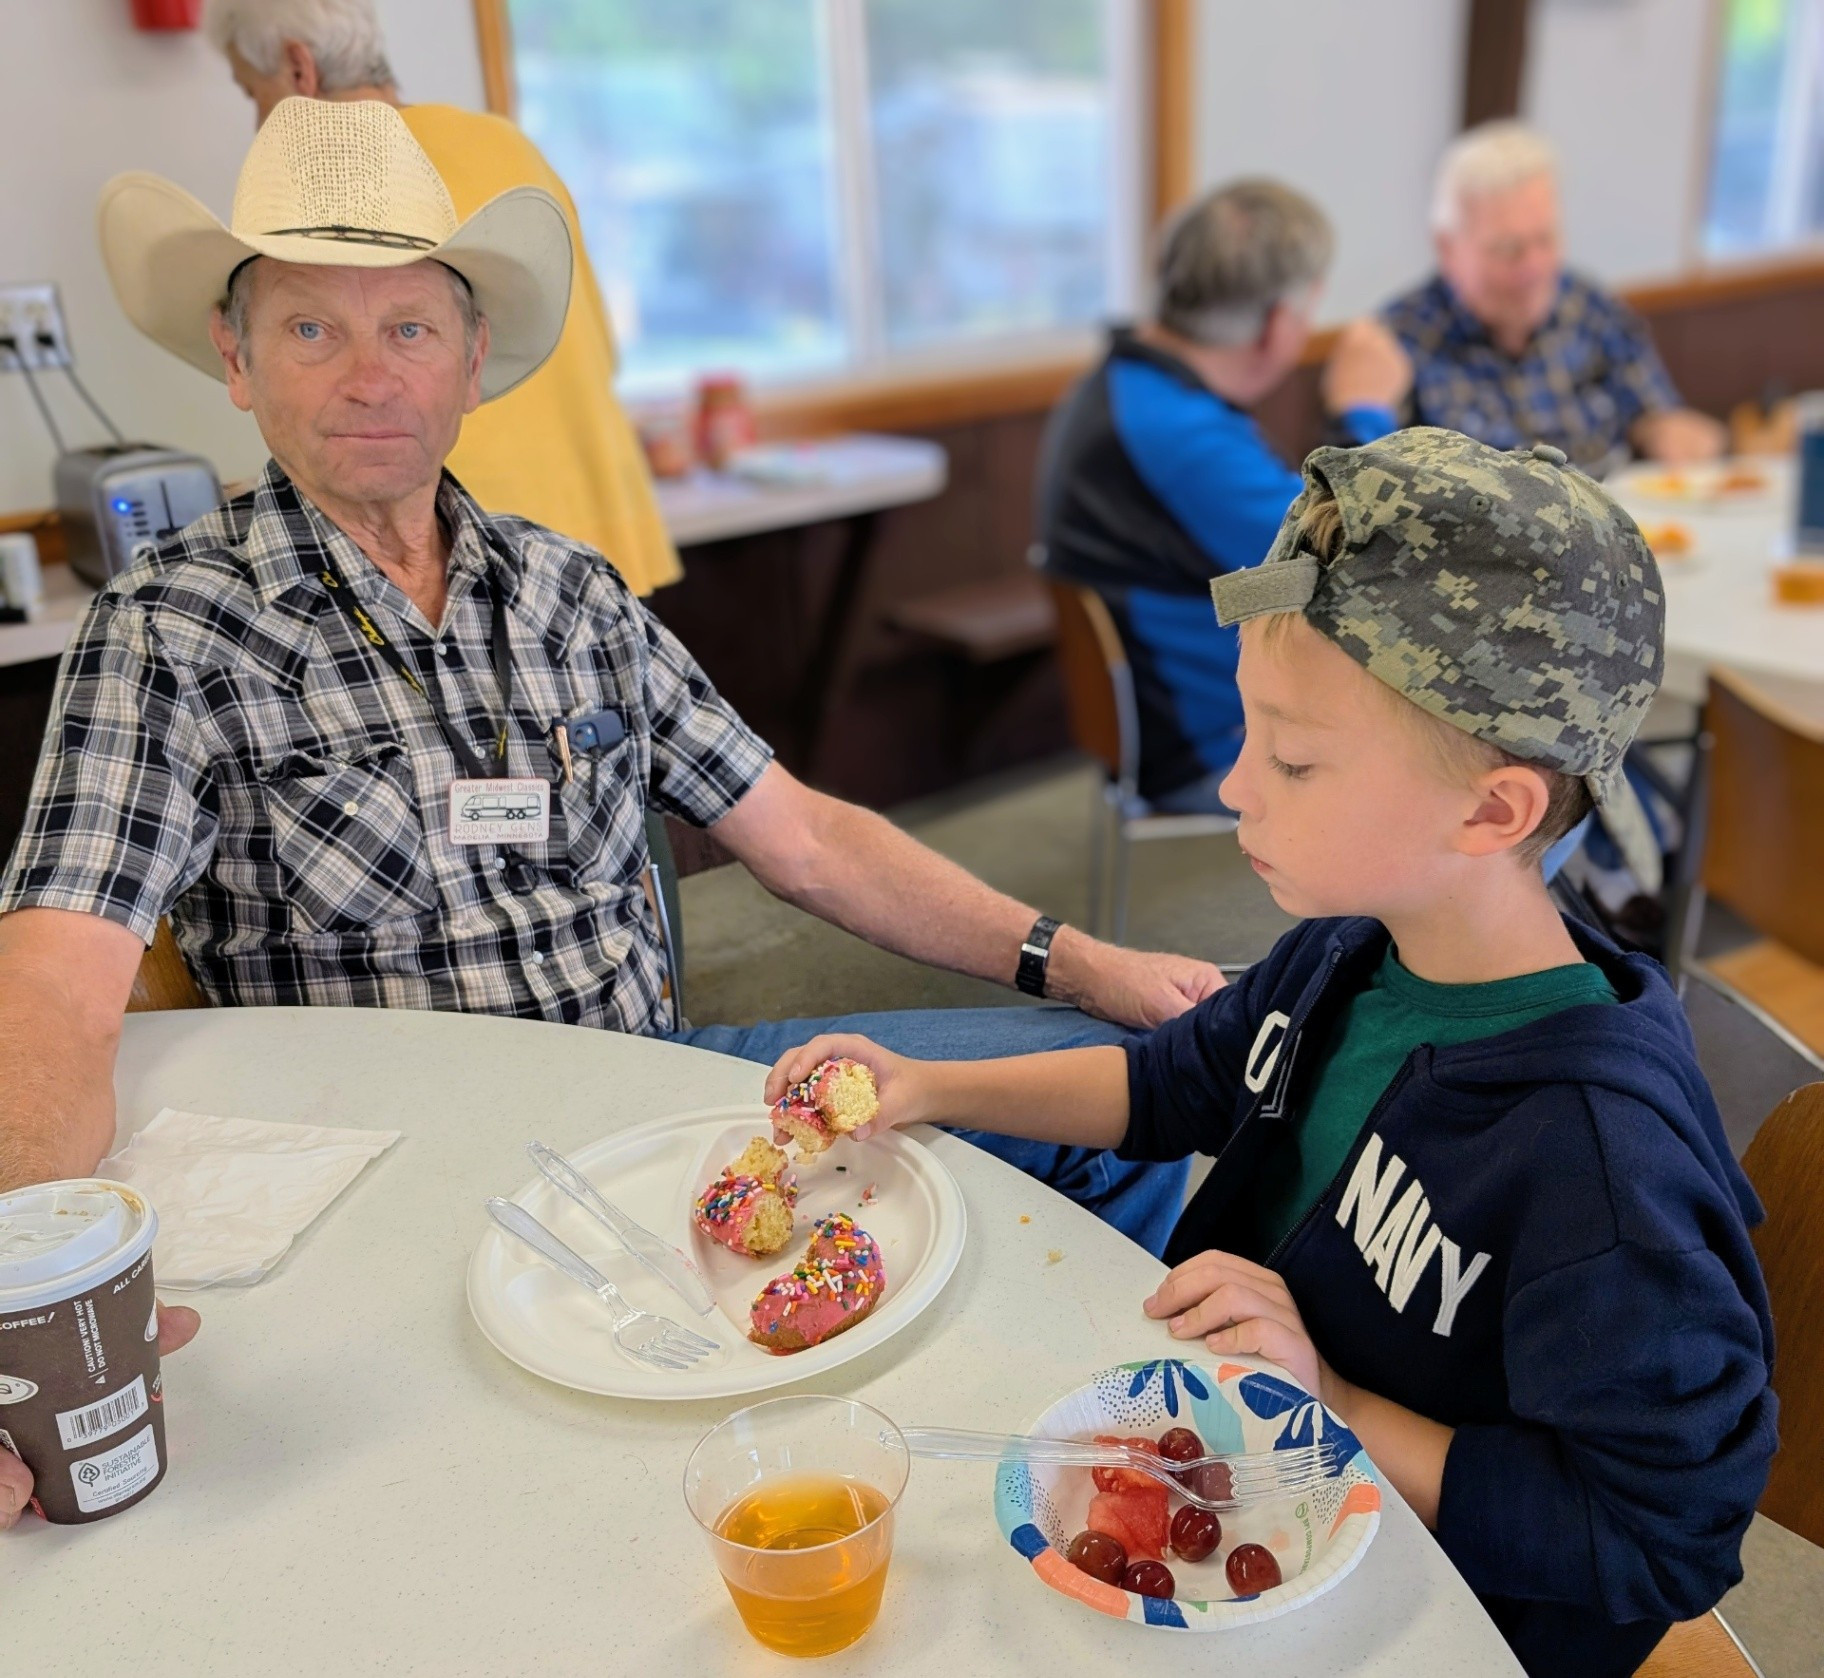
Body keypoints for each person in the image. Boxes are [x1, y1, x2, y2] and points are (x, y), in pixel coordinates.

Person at [0, 98, 1218, 1378]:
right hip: (402, 1169)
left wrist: (1078, 961)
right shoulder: (170, 629)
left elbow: (804, 837)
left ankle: (1057, 1393)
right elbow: (52, 983)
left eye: (410, 327)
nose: (369, 376)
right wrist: (24, 1298)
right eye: (311, 328)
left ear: (471, 362)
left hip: (663, 1090)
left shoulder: (571, 592)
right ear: (237, 360)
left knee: (1116, 1086)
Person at [762, 430, 1775, 1677]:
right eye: (1251, 735)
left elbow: (1660, 1539)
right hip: (1254, 1499)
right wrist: (932, 1087)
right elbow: (1169, 1083)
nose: (1237, 785)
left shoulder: (1603, 1170)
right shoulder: (1349, 952)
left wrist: (1338, 1404)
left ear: (1492, 808)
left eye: (1293, 759)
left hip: (1437, 1614)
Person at [204, 0, 682, 596]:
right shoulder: (507, 144)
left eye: (255, 93)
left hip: (469, 551)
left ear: (300, 69)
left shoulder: (338, 181)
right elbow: (597, 343)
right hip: (604, 523)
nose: (259, 122)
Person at [1037, 180, 1404, 814]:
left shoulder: (1126, 387)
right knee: (1486, 769)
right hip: (1211, 747)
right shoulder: (1178, 435)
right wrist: (1365, 412)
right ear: (1277, 324)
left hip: (1173, 710)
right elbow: (1354, 565)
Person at [1327, 122, 1727, 477]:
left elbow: (1657, 414)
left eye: (1545, 240)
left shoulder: (1591, 309)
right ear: (1447, 247)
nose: (1535, 268)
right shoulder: (1398, 344)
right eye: (1508, 249)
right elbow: (1363, 497)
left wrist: (1667, 432)